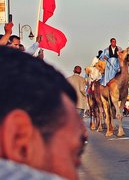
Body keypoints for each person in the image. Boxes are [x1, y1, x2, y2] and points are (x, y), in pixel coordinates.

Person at [0, 46, 87, 180]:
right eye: (75, 155)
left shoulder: (69, 79)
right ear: (19, 139)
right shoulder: (81, 81)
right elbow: (82, 91)